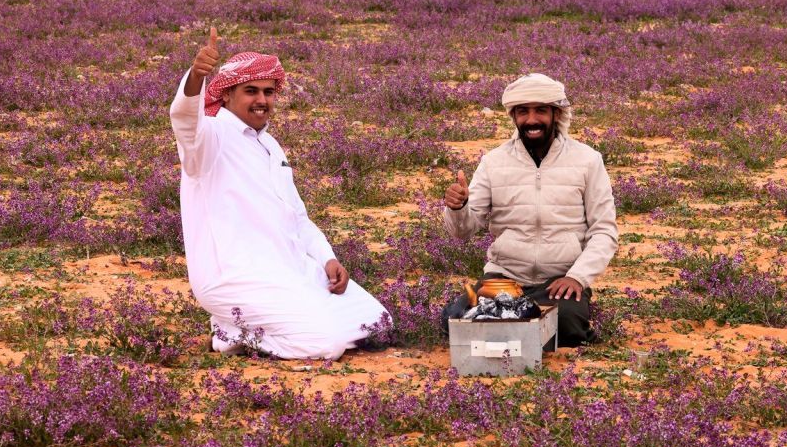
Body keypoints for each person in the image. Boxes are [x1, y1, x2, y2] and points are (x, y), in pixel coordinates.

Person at [170, 27, 390, 359]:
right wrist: (196, 78)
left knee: (378, 322)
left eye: (269, 92)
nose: (262, 100)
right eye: (251, 91)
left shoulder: (269, 145)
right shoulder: (209, 139)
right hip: (235, 277)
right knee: (325, 344)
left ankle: (268, 324)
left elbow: (296, 216)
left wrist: (327, 258)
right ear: (226, 95)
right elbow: (185, 120)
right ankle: (231, 333)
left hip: (288, 270)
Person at [443, 73, 618, 346]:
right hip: (504, 279)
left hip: (558, 281)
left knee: (568, 325)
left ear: (556, 114)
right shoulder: (494, 162)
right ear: (513, 116)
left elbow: (604, 231)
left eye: (541, 111)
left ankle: (511, 334)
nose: (532, 120)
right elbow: (463, 231)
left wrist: (577, 277)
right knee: (453, 318)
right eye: (523, 112)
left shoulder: (587, 160)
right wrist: (458, 208)